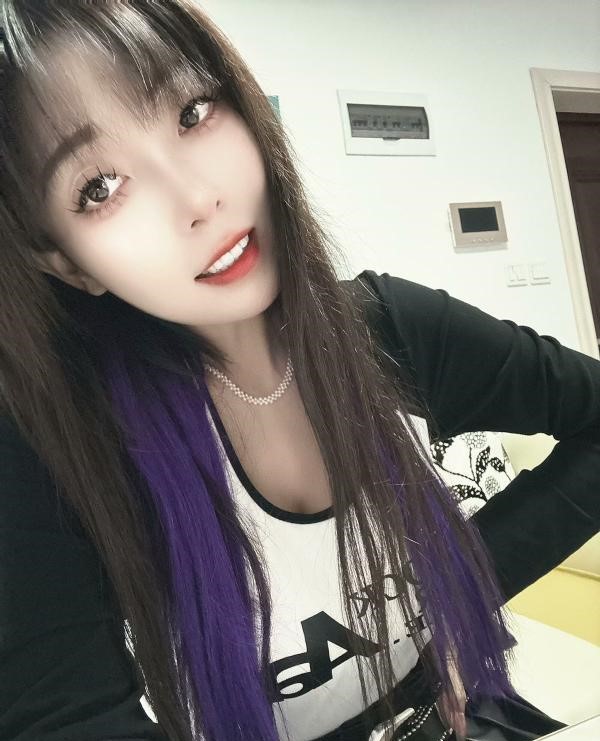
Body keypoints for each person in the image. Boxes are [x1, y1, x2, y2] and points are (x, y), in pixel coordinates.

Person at [0, 2, 597, 740]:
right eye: (100, 187)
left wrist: (460, 589)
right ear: (66, 263)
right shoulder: (55, 451)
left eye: (191, 112)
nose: (198, 199)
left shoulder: (390, 332)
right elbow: (65, 716)